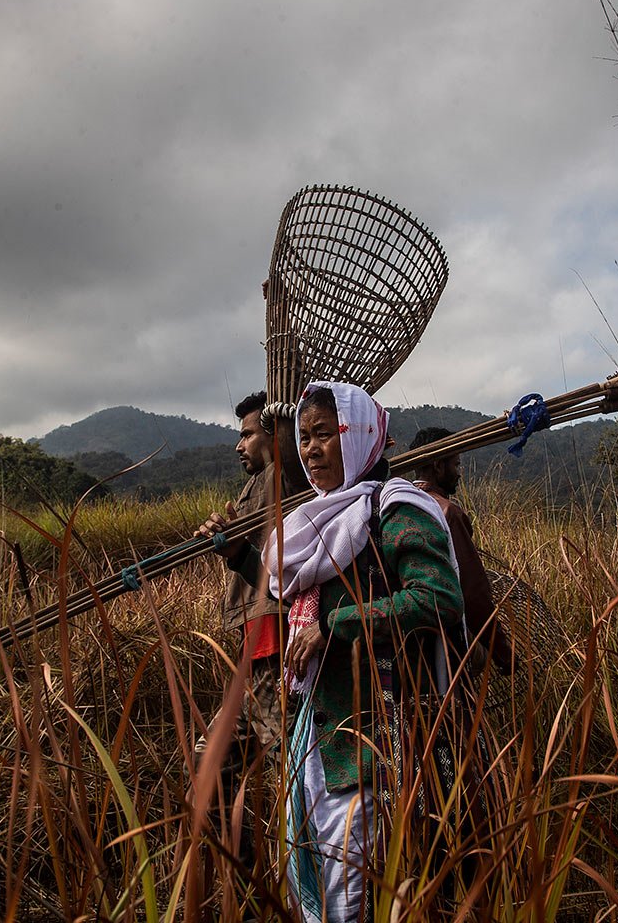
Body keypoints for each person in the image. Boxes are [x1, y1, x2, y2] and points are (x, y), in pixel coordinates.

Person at [267, 382, 464, 923]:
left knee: (358, 898)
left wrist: (337, 625)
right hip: (319, 737)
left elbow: (437, 596)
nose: (311, 450)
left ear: (359, 436)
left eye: (325, 435)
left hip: (376, 744)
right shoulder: (315, 521)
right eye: (304, 438)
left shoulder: (393, 508)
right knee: (321, 892)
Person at [193, 392, 294, 782]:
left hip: (273, 640)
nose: (240, 445)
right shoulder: (255, 485)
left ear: (277, 437)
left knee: (289, 762)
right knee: (210, 762)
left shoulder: (285, 475)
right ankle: (223, 841)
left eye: (248, 435)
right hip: (255, 648)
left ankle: (297, 839)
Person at [408, 427, 514, 674]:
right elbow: (473, 594)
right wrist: (501, 652)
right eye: (456, 465)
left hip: (401, 649)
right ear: (437, 466)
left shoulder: (394, 505)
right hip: (441, 652)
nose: (459, 474)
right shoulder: (447, 513)